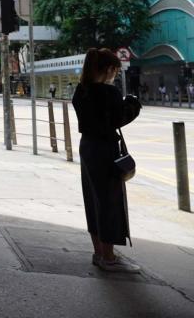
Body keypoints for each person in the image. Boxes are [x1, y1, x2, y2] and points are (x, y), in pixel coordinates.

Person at [71, 48, 142, 273]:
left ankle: (99, 253)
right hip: (105, 149)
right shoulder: (108, 93)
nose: (115, 74)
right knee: (109, 202)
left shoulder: (80, 91)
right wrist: (133, 105)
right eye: (115, 70)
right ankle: (109, 258)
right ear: (109, 69)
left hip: (88, 147)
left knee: (93, 199)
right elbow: (118, 119)